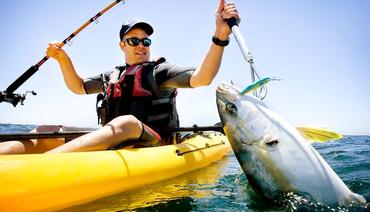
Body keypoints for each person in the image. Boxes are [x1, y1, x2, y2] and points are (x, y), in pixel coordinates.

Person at [0, 0, 240, 154]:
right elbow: (78, 87)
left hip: (156, 143)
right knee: (47, 129)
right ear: (122, 45)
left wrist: (220, 36)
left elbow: (202, 78)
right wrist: (63, 59)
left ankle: (47, 166)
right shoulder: (111, 75)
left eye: (146, 41)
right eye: (133, 41)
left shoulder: (160, 72)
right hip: (114, 139)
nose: (141, 45)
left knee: (126, 123)